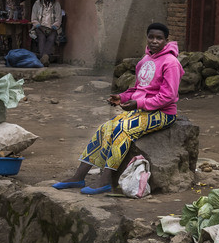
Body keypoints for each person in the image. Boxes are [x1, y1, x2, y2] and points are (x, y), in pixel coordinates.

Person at [54, 23, 181, 195]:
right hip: (142, 110)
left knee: (122, 130)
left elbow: (168, 96)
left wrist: (138, 104)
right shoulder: (144, 60)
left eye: (159, 38)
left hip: (163, 113)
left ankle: (105, 180)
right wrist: (121, 97)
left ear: (166, 40)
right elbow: (137, 89)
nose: (154, 41)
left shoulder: (171, 63)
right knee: (105, 128)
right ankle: (78, 176)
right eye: (151, 37)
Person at [29, 0, 64, 64]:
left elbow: (58, 18)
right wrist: (40, 27)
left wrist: (53, 27)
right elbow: (34, 18)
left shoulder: (56, 4)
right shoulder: (37, 4)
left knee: (51, 38)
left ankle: (43, 58)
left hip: (52, 28)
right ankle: (45, 57)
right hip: (40, 27)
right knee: (41, 38)